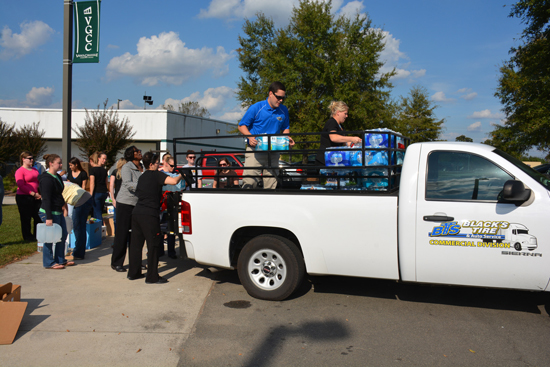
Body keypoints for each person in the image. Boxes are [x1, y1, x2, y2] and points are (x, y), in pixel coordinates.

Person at [127, 152, 182, 283]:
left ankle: (133, 273)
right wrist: (182, 174)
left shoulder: (142, 177)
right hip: (149, 214)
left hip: (137, 213)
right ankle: (152, 277)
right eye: (158, 163)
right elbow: (174, 181)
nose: (159, 165)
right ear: (151, 164)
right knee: (154, 245)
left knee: (136, 245)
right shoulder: (156, 174)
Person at [238, 81, 295, 189]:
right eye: (278, 97)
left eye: (283, 98)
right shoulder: (256, 107)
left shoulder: (283, 110)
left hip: (273, 151)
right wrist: (250, 137)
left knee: (272, 184)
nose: (281, 100)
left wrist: (287, 139)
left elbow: (285, 128)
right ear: (270, 94)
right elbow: (241, 126)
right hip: (255, 150)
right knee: (250, 182)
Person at [111, 146, 143, 272]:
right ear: (131, 154)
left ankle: (135, 262)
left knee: (136, 235)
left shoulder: (142, 167)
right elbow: (128, 184)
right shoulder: (127, 167)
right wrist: (144, 186)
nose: (140, 152)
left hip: (137, 203)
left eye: (139, 151)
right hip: (125, 203)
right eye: (137, 151)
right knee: (122, 234)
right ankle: (117, 262)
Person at [38, 154, 73, 269]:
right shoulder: (46, 179)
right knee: (49, 238)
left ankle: (60, 259)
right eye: (59, 162)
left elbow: (59, 195)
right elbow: (46, 199)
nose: (61, 165)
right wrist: (48, 217)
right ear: (51, 163)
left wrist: (64, 208)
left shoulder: (57, 176)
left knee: (62, 236)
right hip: (49, 212)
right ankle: (48, 262)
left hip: (58, 211)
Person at [315, 101, 362, 165]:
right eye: (345, 113)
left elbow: (345, 142)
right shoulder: (331, 122)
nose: (347, 116)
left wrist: (358, 143)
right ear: (338, 112)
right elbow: (333, 138)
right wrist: (352, 138)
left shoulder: (341, 126)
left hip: (334, 159)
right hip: (325, 160)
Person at [15, 151, 42, 241]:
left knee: (38, 216)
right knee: (26, 217)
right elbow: (21, 185)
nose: (32, 160)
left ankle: (37, 235)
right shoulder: (20, 171)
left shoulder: (34, 170)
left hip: (36, 196)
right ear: (23, 159)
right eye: (29, 158)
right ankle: (27, 236)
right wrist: (33, 194)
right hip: (24, 197)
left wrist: (39, 193)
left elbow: (38, 181)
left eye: (32, 158)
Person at [62, 181, 93, 260]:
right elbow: (65, 207)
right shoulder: (63, 182)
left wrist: (64, 219)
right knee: (80, 227)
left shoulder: (56, 187)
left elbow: (63, 207)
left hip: (81, 201)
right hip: (86, 198)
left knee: (78, 227)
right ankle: (79, 251)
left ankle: (78, 254)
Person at [89, 152, 109, 220]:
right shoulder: (104, 170)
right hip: (103, 192)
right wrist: (107, 191)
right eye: (103, 159)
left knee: (97, 212)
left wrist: (91, 194)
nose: (104, 160)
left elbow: (92, 183)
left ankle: (99, 227)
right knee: (98, 211)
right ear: (99, 159)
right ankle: (96, 228)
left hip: (97, 193)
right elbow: (106, 182)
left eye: (105, 159)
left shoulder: (92, 170)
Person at [109, 158, 126, 227]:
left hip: (117, 197)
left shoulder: (115, 172)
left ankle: (117, 234)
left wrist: (113, 199)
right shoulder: (127, 173)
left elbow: (111, 185)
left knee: (116, 218)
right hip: (125, 196)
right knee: (125, 217)